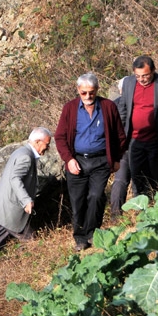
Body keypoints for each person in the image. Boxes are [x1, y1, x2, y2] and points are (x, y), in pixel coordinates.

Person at [55, 73, 126, 251]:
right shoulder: (70, 109)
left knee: (96, 196)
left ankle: (92, 232)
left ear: (97, 90)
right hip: (77, 161)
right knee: (78, 201)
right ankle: (80, 237)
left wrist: (116, 158)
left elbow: (120, 135)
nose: (88, 97)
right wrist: (69, 159)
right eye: (84, 93)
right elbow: (60, 137)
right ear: (78, 90)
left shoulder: (108, 107)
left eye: (91, 93)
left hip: (101, 161)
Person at [0, 127, 52, 272]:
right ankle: (33, 269)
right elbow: (15, 178)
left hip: (2, 206)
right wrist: (26, 200)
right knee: (31, 241)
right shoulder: (26, 157)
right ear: (38, 142)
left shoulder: (20, 151)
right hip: (9, 211)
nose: (48, 147)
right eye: (47, 143)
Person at [117, 56, 158, 198]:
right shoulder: (128, 83)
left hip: (156, 138)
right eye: (138, 76)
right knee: (136, 176)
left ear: (153, 70)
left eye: (145, 75)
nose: (141, 79)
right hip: (134, 140)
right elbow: (123, 108)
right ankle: (140, 205)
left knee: (156, 174)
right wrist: (121, 132)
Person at [110, 77, 131, 217]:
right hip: (138, 146)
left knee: (120, 180)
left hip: (119, 148)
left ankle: (116, 215)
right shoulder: (140, 102)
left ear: (119, 89)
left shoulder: (111, 105)